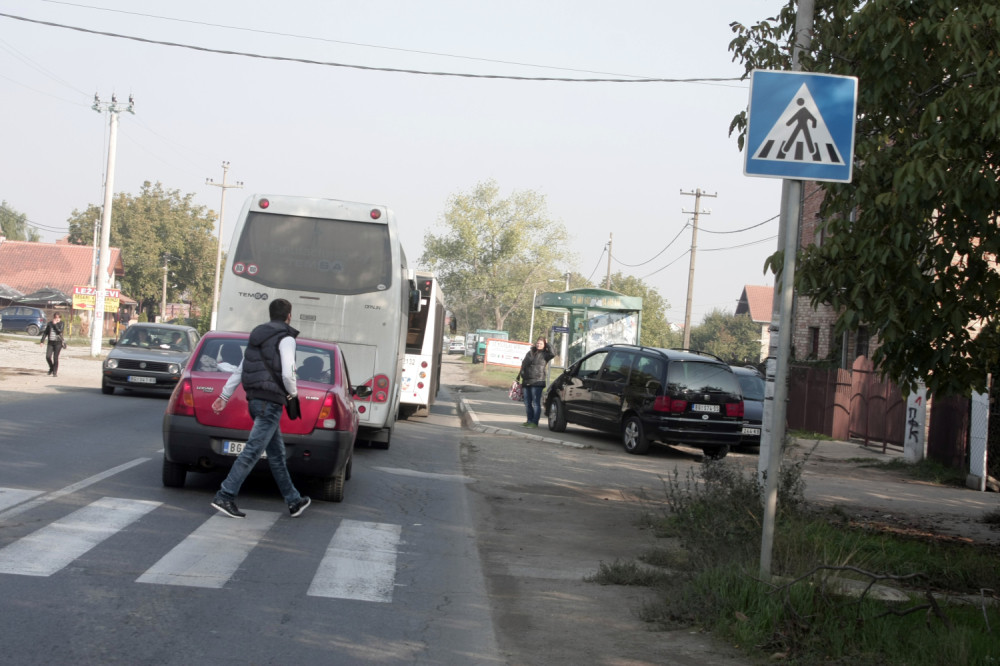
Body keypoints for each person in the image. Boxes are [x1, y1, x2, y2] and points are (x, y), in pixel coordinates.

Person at [209, 298, 310, 519]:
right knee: (253, 451)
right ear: (289, 315)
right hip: (270, 403)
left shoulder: (258, 337)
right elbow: (287, 372)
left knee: (276, 455)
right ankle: (225, 495)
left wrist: (225, 395)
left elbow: (241, 369)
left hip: (255, 400)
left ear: (270, 314)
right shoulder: (286, 339)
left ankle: (294, 500)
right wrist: (293, 394)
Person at [516, 336, 554, 428]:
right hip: (526, 380)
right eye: (537, 343)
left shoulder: (546, 354)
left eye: (541, 343)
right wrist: (521, 373)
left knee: (536, 403)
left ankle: (534, 422)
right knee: (527, 402)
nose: (538, 345)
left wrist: (548, 343)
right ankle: (529, 420)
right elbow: (524, 364)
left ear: (544, 345)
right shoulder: (530, 353)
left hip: (537, 381)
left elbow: (553, 353)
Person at [39, 312, 65, 377]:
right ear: (54, 318)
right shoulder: (49, 324)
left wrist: (55, 324)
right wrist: (42, 341)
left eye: (58, 318)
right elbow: (45, 333)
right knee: (48, 356)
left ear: (60, 318)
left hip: (58, 343)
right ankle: (51, 368)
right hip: (50, 342)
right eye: (56, 318)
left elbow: (59, 331)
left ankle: (55, 372)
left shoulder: (61, 323)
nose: (57, 319)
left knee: (55, 358)